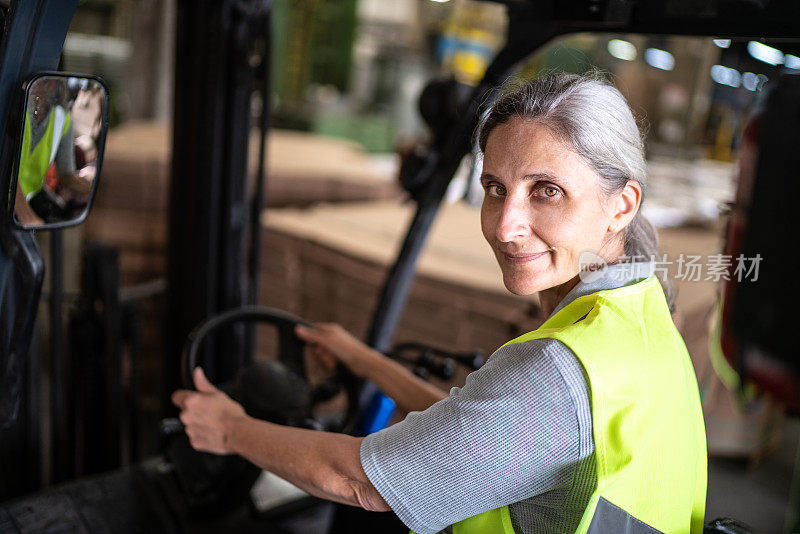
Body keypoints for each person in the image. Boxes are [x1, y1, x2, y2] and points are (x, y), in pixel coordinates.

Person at [172, 72, 707, 534]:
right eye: (495, 188)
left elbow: (363, 484)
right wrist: (364, 360)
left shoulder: (556, 367)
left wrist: (230, 430)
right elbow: (485, 435)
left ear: (622, 206)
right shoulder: (641, 322)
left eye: (546, 190)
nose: (505, 226)